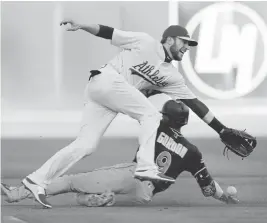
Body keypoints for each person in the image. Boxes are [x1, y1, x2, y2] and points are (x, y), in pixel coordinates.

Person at [21, 20, 231, 209]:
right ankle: (146, 167)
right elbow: (110, 32)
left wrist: (221, 130)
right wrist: (83, 25)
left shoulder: (172, 77)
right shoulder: (146, 42)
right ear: (169, 39)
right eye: (184, 42)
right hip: (106, 80)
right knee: (151, 116)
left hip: (108, 97)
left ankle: (35, 181)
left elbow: (195, 104)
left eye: (189, 44)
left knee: (86, 145)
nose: (187, 47)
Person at [2, 100, 239, 207]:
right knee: (91, 196)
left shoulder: (156, 123)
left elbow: (131, 102)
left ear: (166, 117)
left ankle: (16, 194)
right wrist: (225, 197)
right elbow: (208, 189)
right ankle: (95, 200)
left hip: (133, 174)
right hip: (147, 194)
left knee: (72, 181)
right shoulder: (193, 152)